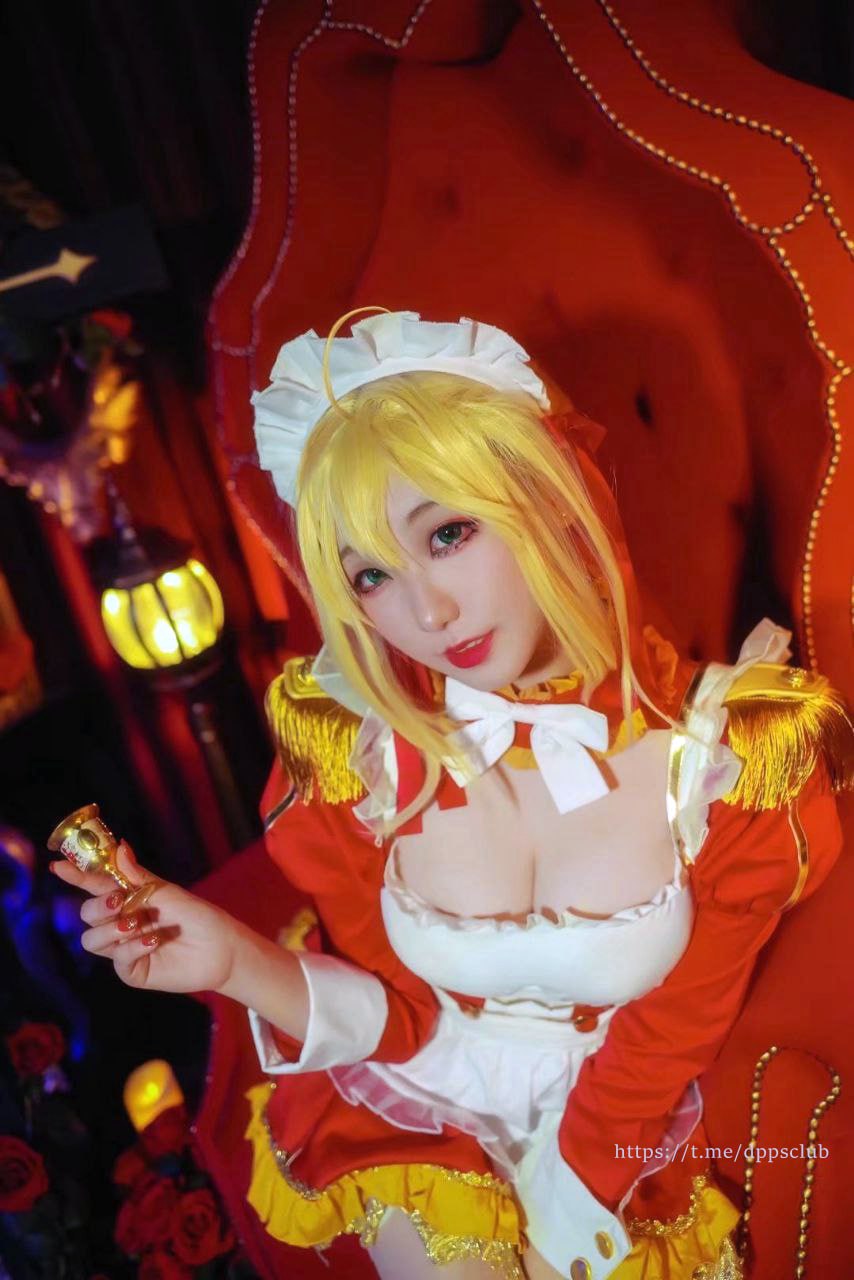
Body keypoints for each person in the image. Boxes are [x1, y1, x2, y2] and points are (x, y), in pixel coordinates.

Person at [52, 310, 852, 1280]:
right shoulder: (356, 758)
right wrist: (231, 959)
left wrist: (570, 1203)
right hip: (420, 1108)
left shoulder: (730, 760)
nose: (425, 612)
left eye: (449, 532)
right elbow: (403, 1021)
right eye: (372, 575)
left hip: (621, 1128)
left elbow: (674, 1028)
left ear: (548, 495)